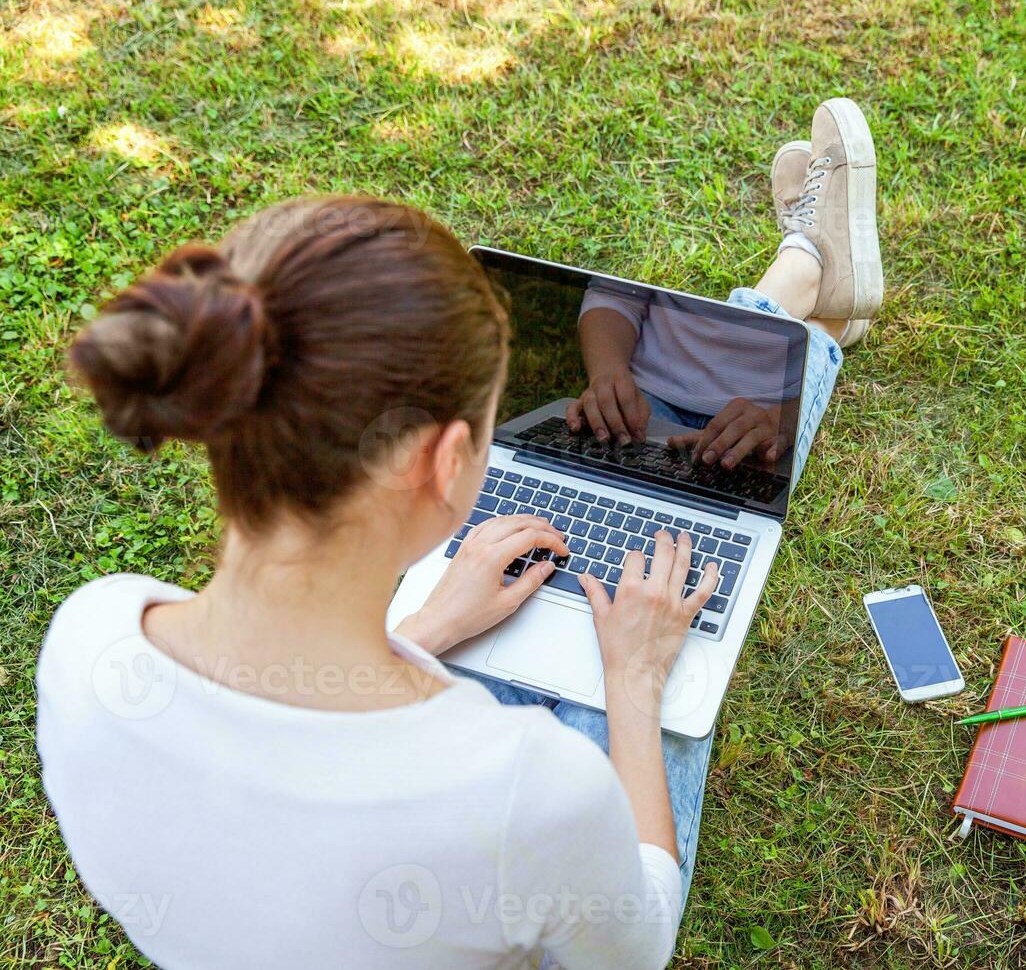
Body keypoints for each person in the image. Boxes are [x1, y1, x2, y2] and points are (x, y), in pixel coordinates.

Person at [36, 98, 882, 968]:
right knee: (634, 677)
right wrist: (633, 677)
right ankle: (807, 290)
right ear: (446, 462)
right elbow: (636, 946)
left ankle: (808, 292)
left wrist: (424, 632)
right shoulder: (527, 789)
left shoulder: (89, 638)